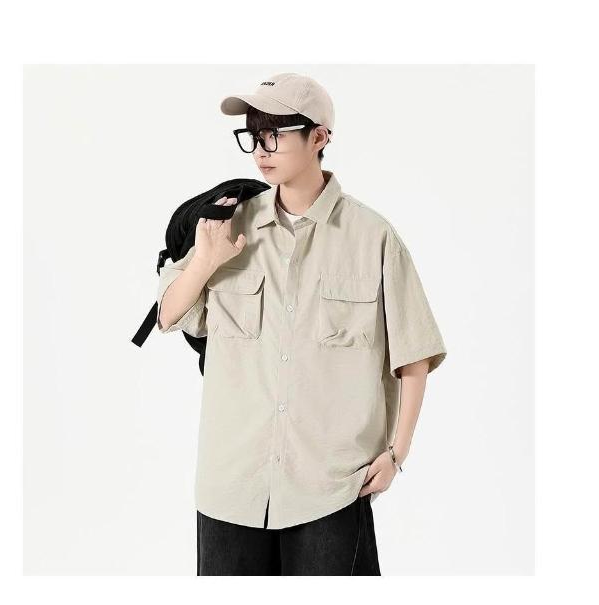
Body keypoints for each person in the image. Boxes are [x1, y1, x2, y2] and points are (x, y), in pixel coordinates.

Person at [157, 72, 447, 575]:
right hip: (232, 485)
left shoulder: (373, 237)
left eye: (274, 134)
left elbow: (413, 356)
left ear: (319, 137)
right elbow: (167, 315)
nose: (260, 149)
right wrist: (204, 261)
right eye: (253, 134)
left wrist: (397, 454)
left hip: (331, 488)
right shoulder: (228, 224)